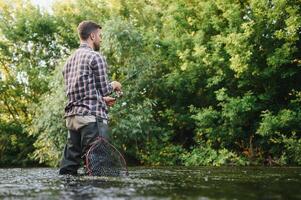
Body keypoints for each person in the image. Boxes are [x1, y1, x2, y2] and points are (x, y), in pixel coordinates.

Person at [59, 20, 121, 175]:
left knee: (69, 166)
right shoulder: (95, 57)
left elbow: (81, 92)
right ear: (92, 36)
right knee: (97, 166)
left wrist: (101, 99)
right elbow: (105, 89)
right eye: (100, 36)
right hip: (92, 120)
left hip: (72, 119)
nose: (101, 39)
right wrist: (114, 84)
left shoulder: (69, 61)